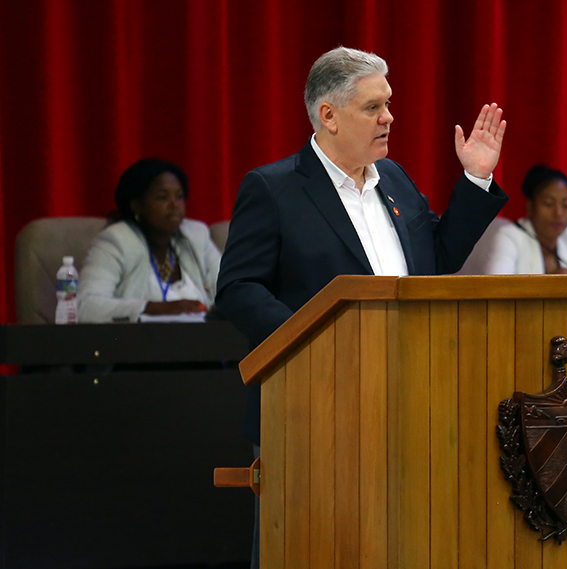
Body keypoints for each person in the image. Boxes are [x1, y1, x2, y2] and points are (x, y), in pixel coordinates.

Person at [214, 46, 508, 568]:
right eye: (373, 107)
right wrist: (315, 342)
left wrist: (475, 180)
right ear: (328, 115)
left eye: (388, 104)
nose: (389, 117)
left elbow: (434, 262)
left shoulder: (392, 179)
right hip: (310, 408)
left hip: (406, 400)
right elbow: (238, 288)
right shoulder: (274, 188)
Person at [78, 158, 221, 323]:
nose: (175, 205)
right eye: (162, 197)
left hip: (203, 341)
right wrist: (155, 308)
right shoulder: (117, 240)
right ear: (136, 205)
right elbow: (86, 307)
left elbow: (231, 291)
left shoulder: (196, 235)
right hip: (139, 343)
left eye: (180, 196)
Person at [484, 164, 567, 274]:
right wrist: (551, 286)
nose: (559, 213)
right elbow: (496, 290)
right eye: (548, 203)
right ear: (530, 207)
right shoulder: (510, 236)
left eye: (566, 205)